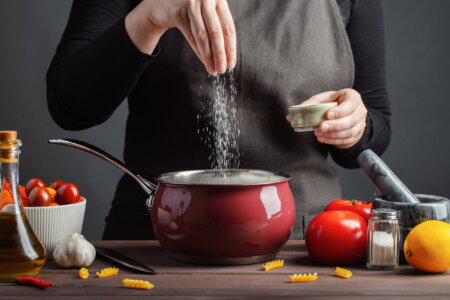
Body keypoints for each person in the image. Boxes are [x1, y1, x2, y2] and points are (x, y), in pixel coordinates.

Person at [47, 0, 390, 239]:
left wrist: (353, 124)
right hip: (156, 241)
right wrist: (149, 17)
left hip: (303, 243)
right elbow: (70, 107)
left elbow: (376, 125)